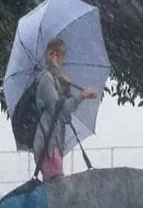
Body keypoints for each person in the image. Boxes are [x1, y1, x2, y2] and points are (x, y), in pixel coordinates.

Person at [32, 38, 98, 181]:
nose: (61, 60)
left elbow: (65, 116)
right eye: (59, 55)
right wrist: (82, 96)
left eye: (61, 56)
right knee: (57, 185)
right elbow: (60, 110)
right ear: (51, 55)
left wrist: (67, 87)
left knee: (56, 185)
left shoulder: (54, 80)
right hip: (47, 145)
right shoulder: (46, 79)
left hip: (53, 143)